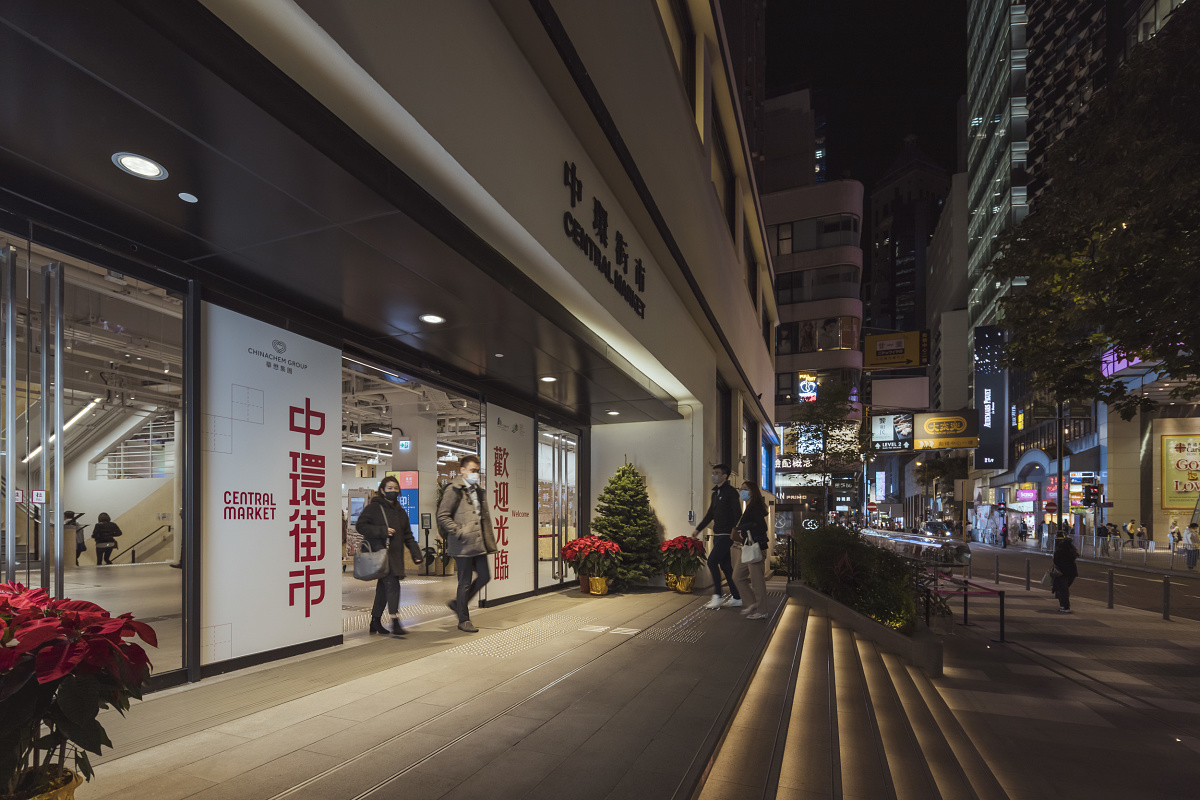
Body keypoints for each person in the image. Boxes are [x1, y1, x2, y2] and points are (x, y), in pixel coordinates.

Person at [356, 475, 422, 635]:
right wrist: (381, 531)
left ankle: (375, 621)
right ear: (382, 491)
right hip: (380, 554)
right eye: (389, 488)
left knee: (383, 589)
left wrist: (416, 553)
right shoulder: (374, 508)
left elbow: (408, 536)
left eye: (395, 488)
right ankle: (395, 621)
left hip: (394, 556)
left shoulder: (400, 512)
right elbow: (360, 526)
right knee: (393, 586)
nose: (393, 491)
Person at [438, 454, 494, 633]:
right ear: (462, 471)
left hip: (478, 544)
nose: (475, 474)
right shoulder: (453, 489)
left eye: (477, 471)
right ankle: (464, 619)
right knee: (465, 582)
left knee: (485, 576)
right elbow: (443, 515)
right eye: (472, 471)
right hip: (462, 544)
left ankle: (457, 604)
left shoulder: (478, 490)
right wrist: (458, 530)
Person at [694, 463, 742, 610]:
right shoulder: (716, 494)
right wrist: (698, 529)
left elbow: (737, 513)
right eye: (713, 472)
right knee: (726, 566)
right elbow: (710, 514)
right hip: (718, 534)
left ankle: (717, 596)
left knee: (712, 561)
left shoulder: (731, 492)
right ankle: (736, 597)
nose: (713, 475)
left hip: (726, 535)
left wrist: (735, 531)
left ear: (724, 476)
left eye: (716, 473)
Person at [731, 481, 770, 620]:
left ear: (752, 491)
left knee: (757, 581)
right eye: (741, 489)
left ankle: (762, 610)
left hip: (756, 548)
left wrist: (744, 528)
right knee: (737, 576)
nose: (742, 491)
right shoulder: (749, 506)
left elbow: (761, 527)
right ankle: (752, 603)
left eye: (745, 489)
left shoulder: (756, 507)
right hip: (748, 547)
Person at [1052, 534, 1079, 613]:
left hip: (1061, 573)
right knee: (1065, 589)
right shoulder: (1072, 551)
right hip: (1071, 573)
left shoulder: (1059, 551)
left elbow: (1056, 561)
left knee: (1062, 590)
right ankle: (1065, 606)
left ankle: (1064, 606)